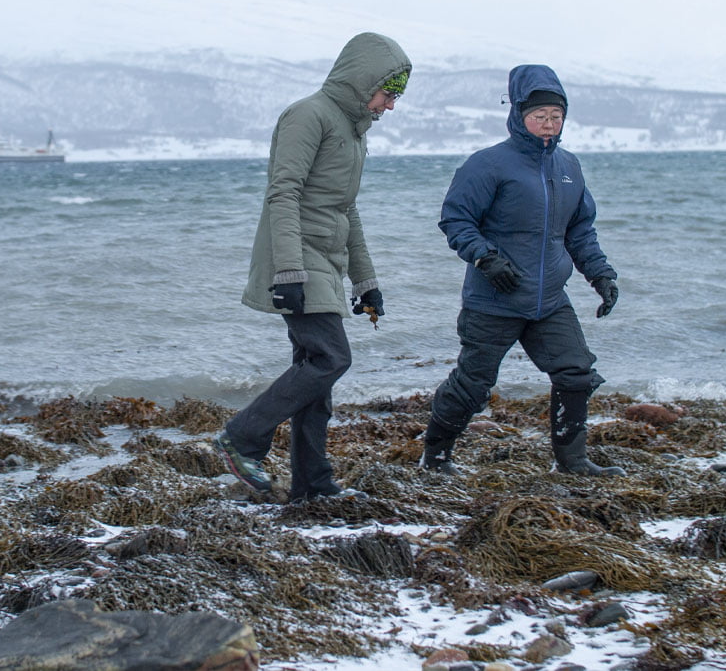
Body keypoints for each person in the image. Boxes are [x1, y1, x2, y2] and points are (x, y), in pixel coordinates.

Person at [214, 32, 412, 501]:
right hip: (297, 258)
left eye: (396, 97)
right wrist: (288, 273)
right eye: (388, 93)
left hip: (328, 261)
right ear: (365, 82)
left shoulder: (353, 133)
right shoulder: (308, 115)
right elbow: (283, 193)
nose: (390, 105)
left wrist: (366, 281)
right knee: (330, 357)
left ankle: (312, 484)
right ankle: (242, 437)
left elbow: (347, 210)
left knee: (314, 375)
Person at [419, 63, 624, 477]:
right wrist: (485, 257)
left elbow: (579, 231)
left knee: (576, 373)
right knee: (473, 385)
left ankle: (573, 462)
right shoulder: (488, 164)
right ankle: (435, 457)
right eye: (539, 117)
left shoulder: (569, 167)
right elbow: (455, 220)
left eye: (556, 116)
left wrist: (601, 275)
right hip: (495, 298)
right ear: (518, 115)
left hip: (548, 301)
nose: (548, 125)